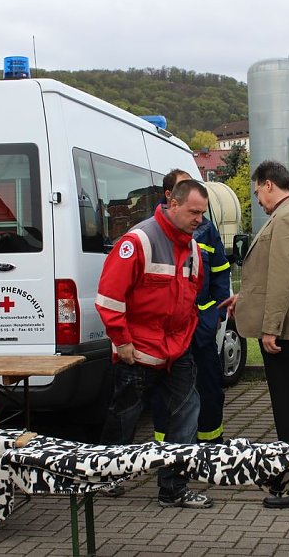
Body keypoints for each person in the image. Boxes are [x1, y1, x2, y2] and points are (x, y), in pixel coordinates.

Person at [95, 178, 214, 509]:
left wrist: (187, 336)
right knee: (124, 416)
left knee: (187, 412)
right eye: (193, 212)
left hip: (177, 351)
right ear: (173, 205)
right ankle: (105, 477)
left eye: (202, 214)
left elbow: (190, 296)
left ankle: (173, 488)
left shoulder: (192, 247)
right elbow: (108, 298)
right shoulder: (138, 241)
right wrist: (123, 343)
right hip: (138, 353)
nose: (199, 220)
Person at [220, 160, 289, 509]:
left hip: (285, 331)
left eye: (257, 192)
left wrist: (271, 328)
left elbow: (284, 279)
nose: (258, 200)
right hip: (288, 327)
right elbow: (274, 276)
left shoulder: (288, 218)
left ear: (269, 185)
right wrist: (245, 296)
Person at [150, 170, 231, 445]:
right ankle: (169, 447)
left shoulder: (206, 230)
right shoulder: (152, 232)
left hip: (201, 326)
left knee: (209, 386)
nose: (197, 216)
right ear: (171, 197)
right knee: (169, 392)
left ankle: (210, 444)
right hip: (169, 332)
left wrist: (217, 315)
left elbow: (220, 272)